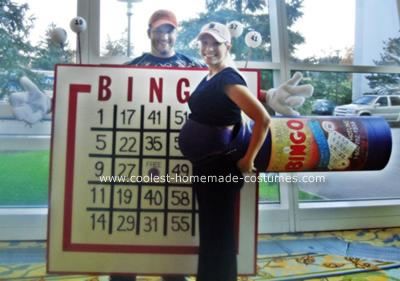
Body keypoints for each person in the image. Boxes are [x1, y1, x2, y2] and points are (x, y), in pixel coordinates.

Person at [178, 22, 271, 281]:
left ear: (227, 45)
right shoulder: (212, 75)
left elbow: (262, 119)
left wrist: (247, 160)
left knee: (218, 237)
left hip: (220, 168)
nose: (208, 48)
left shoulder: (228, 78)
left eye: (215, 43)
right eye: (204, 42)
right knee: (211, 234)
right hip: (205, 166)